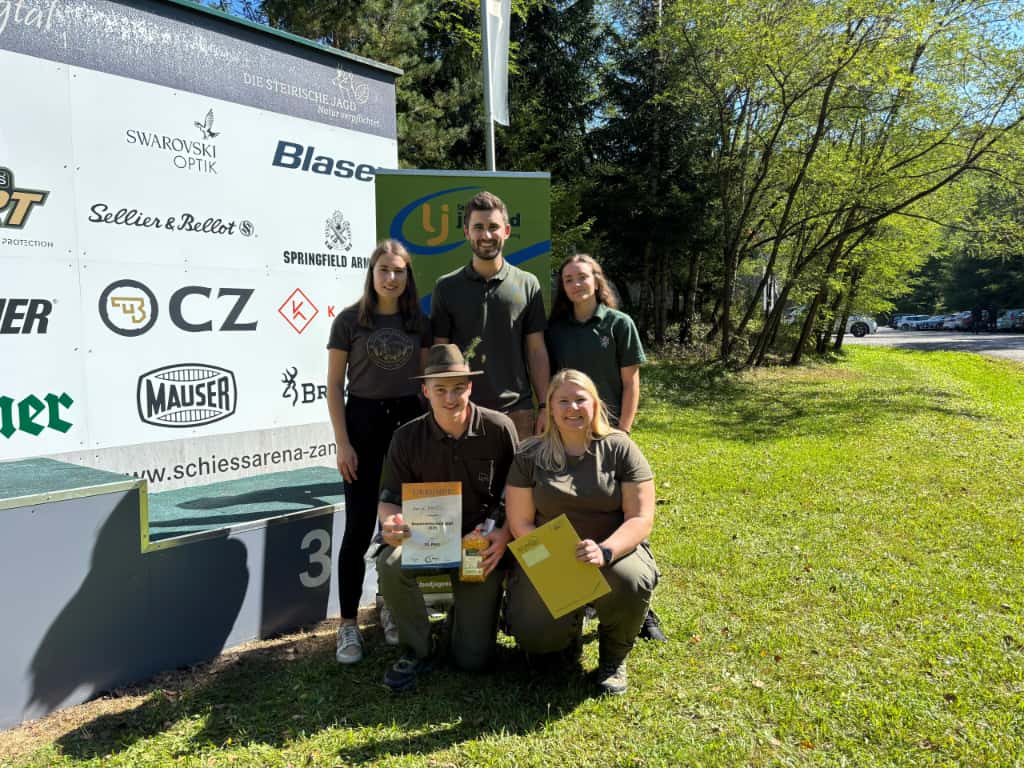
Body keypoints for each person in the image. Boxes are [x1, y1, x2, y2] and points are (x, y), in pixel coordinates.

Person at [505, 369, 659, 696]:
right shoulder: (529, 454)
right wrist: (554, 561)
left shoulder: (620, 448)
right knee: (536, 637)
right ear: (550, 407)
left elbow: (640, 517)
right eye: (563, 401)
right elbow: (520, 523)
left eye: (580, 399)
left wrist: (606, 551)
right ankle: (565, 638)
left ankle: (613, 657)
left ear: (595, 404)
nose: (572, 408)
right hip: (548, 551)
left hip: (612, 551)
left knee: (630, 579)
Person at [375, 344, 518, 692]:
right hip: (427, 540)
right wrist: (392, 524)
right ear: (426, 391)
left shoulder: (499, 428)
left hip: (477, 546)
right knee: (390, 562)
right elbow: (389, 500)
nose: (450, 398)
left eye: (458, 388)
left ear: (470, 387)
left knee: (473, 661)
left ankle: (463, 621)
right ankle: (417, 649)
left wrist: (503, 534)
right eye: (440, 389)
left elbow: (519, 492)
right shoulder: (406, 437)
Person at [545, 253, 666, 642]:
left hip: (610, 435)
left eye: (582, 277)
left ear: (597, 281)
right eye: (568, 279)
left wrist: (624, 431)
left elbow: (631, 383)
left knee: (627, 513)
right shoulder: (555, 330)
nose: (576, 284)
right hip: (569, 435)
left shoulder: (619, 324)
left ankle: (642, 608)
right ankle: (581, 596)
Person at [326, 240, 431, 665]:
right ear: (372, 274)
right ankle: (348, 624)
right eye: (384, 270)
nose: (391, 277)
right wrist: (343, 443)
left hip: (407, 425)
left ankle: (389, 605)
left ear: (408, 276)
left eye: (399, 271)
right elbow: (334, 385)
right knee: (357, 529)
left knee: (401, 523)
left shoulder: (418, 322)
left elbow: (425, 382)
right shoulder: (349, 320)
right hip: (363, 425)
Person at [431, 191, 550, 439]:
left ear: (506, 231)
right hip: (463, 411)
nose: (486, 235)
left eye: (493, 227)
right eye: (478, 227)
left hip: (518, 413)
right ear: (467, 232)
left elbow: (536, 350)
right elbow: (439, 352)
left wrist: (544, 406)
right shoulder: (446, 287)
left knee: (520, 469)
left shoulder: (528, 284)